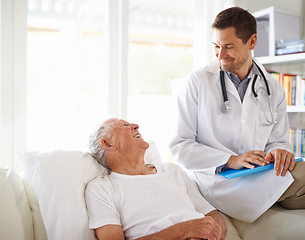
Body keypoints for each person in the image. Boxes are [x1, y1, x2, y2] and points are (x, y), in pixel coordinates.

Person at [169, 6, 305, 223]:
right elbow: (180, 145)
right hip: (217, 180)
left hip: (259, 173)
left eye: (229, 47)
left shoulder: (273, 87)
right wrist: (230, 160)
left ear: (251, 42)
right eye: (216, 46)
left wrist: (280, 151)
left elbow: (278, 140)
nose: (220, 55)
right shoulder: (197, 82)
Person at [85, 118, 228, 240]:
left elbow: (213, 215)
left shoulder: (173, 171)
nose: (135, 126)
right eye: (124, 125)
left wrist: (210, 233)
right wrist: (184, 230)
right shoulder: (102, 189)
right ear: (108, 144)